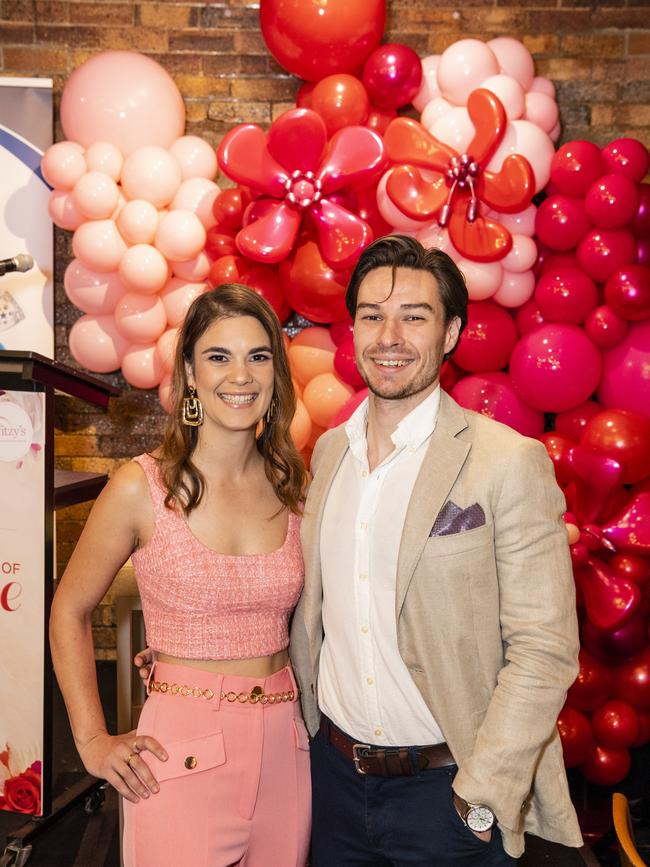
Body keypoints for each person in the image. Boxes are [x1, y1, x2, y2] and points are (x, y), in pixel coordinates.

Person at [289, 234, 583, 866]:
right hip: (334, 788)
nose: (388, 336)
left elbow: (546, 648)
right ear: (353, 328)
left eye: (413, 317)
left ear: (450, 333)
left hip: (449, 798)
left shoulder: (509, 462)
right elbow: (309, 612)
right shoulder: (329, 455)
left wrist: (482, 796)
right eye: (372, 316)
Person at [50, 285, 311, 867]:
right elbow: (69, 610)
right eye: (219, 356)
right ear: (190, 372)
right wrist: (91, 740)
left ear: (276, 374)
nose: (240, 375)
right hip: (180, 746)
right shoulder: (140, 487)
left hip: (287, 746)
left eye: (259, 355)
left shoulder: (296, 488)